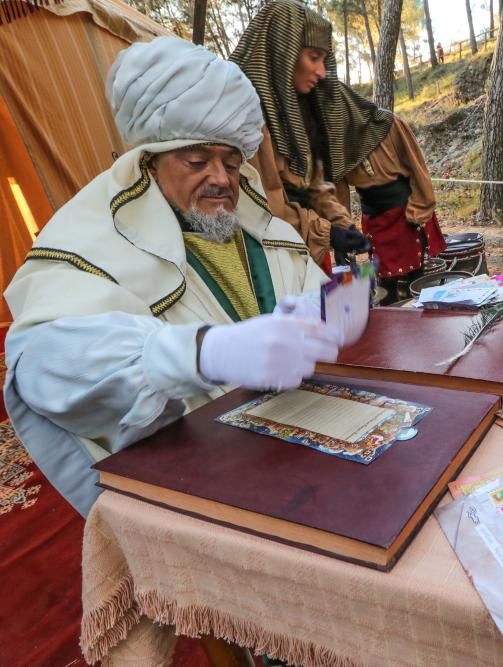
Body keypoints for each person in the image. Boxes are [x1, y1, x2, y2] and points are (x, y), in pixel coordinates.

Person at [2, 37, 341, 516]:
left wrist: (327, 312)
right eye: (197, 161)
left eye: (230, 161)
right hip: (205, 481)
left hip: (305, 452)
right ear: (152, 161)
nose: (222, 179)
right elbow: (42, 362)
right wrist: (199, 353)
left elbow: (310, 300)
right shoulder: (94, 240)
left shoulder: (265, 232)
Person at [231, 0, 445, 300]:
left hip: (312, 244)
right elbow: (265, 211)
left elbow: (315, 187)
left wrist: (344, 225)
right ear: (283, 52)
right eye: (313, 58)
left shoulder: (302, 115)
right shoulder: (246, 119)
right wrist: (329, 232)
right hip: (270, 263)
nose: (321, 72)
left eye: (324, 60)